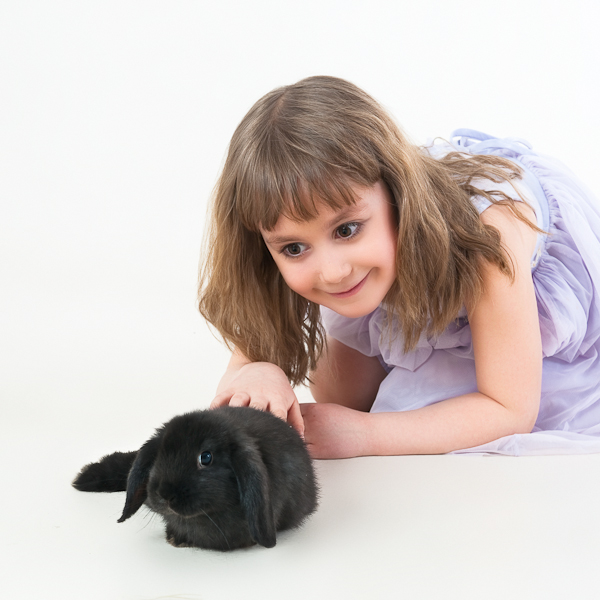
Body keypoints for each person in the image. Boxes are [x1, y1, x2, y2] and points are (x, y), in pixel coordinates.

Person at [198, 76, 600, 458]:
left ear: (395, 196)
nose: (333, 272)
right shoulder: (327, 250)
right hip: (410, 253)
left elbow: (510, 408)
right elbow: (255, 348)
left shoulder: (486, 238)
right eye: (295, 247)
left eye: (347, 229)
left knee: (408, 408)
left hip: (475, 251)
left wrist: (363, 434)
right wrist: (256, 370)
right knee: (340, 392)